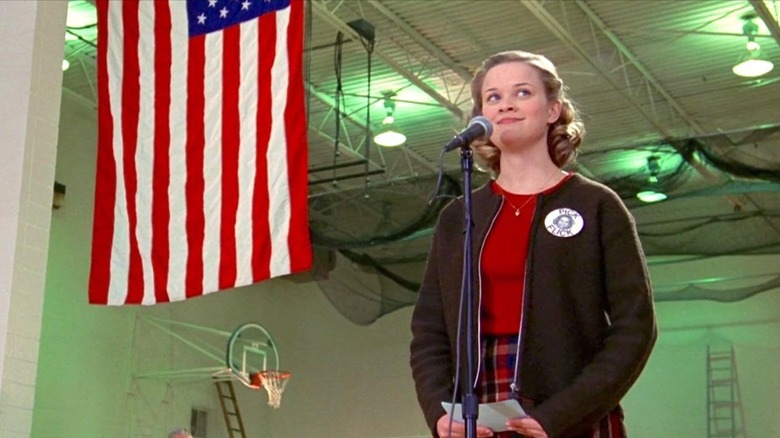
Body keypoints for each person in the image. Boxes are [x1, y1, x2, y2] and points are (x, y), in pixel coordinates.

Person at [409, 50, 657, 438]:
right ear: (480, 117)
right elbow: (428, 330)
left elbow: (635, 327)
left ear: (553, 109)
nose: (506, 104)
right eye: (493, 97)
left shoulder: (595, 204)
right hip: (480, 412)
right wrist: (438, 409)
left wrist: (564, 412)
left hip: (573, 412)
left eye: (522, 92)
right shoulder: (458, 216)